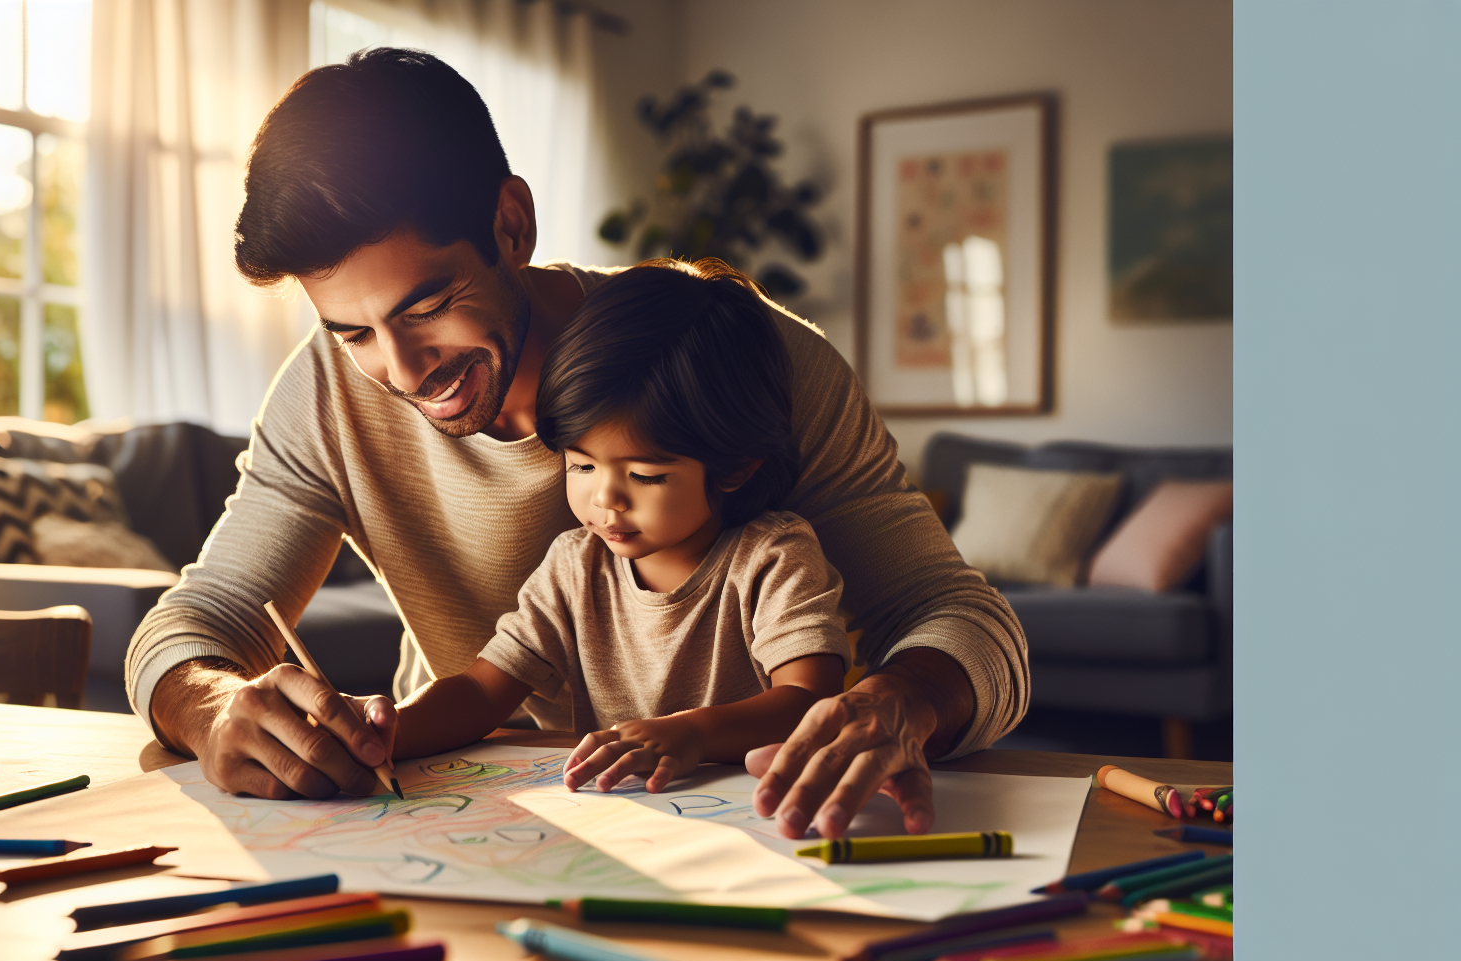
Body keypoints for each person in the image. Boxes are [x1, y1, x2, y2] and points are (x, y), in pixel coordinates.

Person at [125, 48, 1029, 841]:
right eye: (351, 330)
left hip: (749, 813)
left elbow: (964, 617)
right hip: (472, 814)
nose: (400, 371)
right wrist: (210, 710)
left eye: (427, 307)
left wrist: (903, 700)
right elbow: (195, 621)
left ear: (511, 226)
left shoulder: (742, 360)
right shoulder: (326, 389)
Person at [376, 258, 851, 796]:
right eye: (581, 465)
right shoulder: (575, 567)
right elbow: (484, 693)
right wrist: (385, 730)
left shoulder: (772, 558)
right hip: (623, 820)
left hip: (752, 812)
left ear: (735, 466)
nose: (604, 498)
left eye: (645, 475)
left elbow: (810, 701)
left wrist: (691, 733)